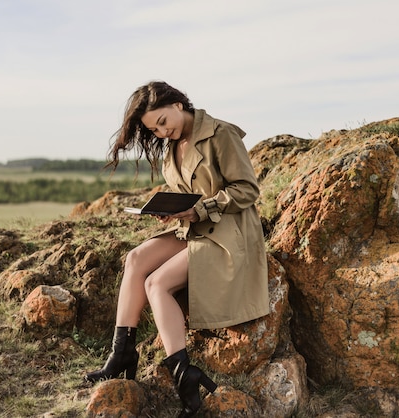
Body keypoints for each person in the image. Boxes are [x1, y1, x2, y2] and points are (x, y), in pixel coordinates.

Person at [85, 81, 269, 417]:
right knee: (136, 258)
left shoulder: (221, 134)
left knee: (157, 283)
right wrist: (170, 208)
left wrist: (198, 209)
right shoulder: (173, 145)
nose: (161, 132)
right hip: (194, 228)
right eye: (153, 129)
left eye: (163, 122)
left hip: (229, 233)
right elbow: (188, 192)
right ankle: (121, 354)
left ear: (178, 104)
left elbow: (247, 190)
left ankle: (184, 375)